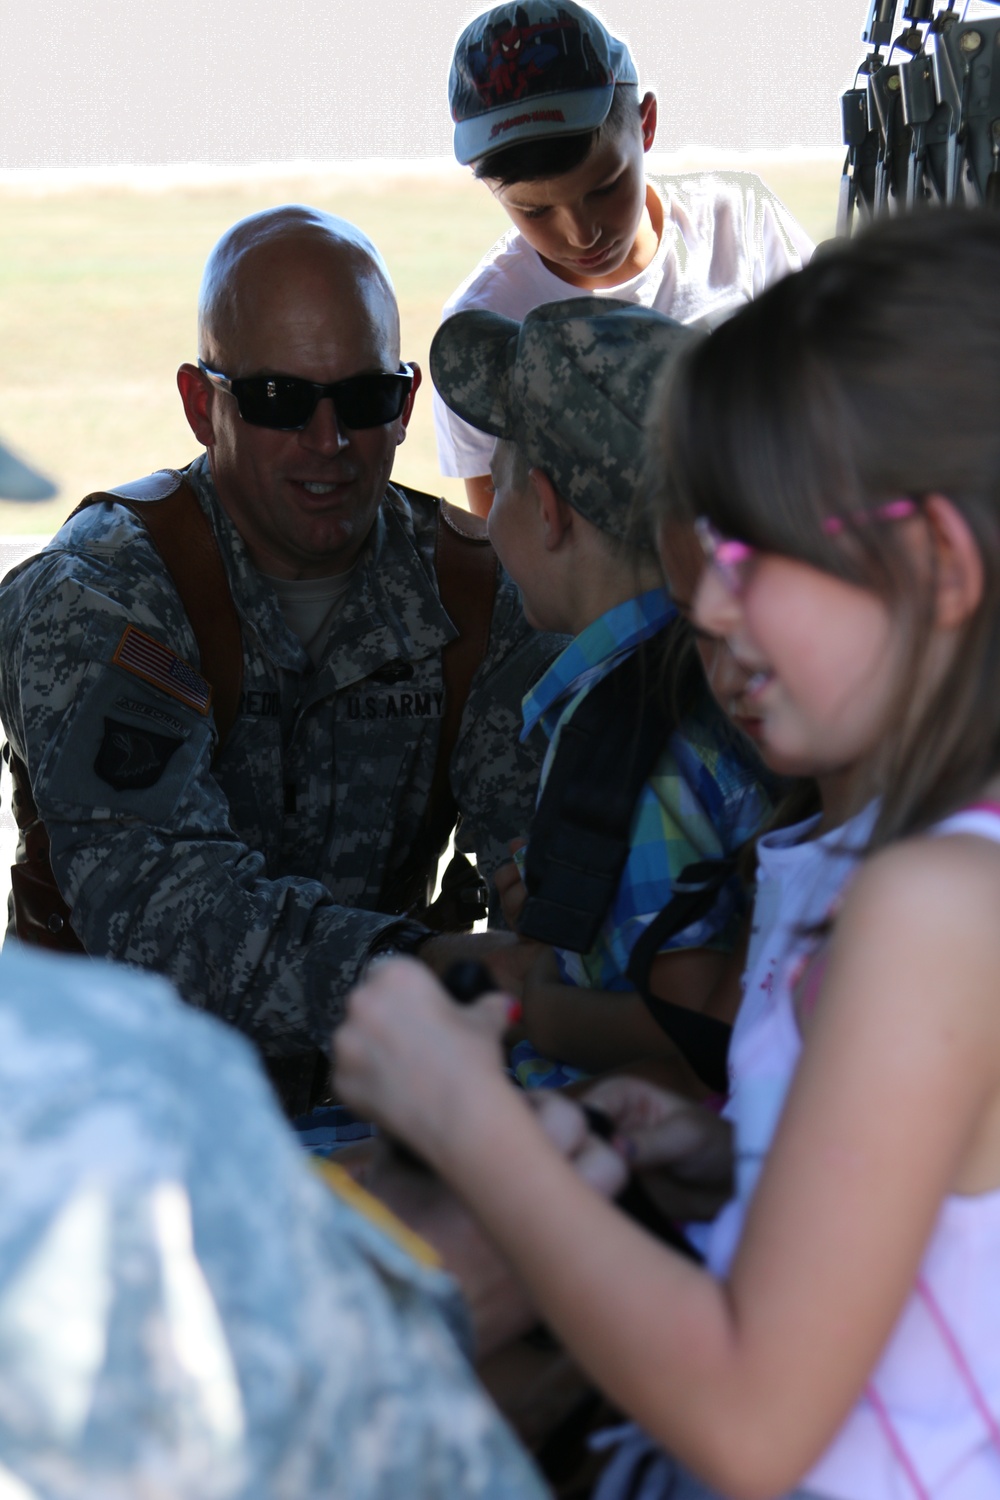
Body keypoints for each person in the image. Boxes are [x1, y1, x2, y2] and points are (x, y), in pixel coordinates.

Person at [334, 208, 1000, 1499]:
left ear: (933, 561)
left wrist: (478, 1129)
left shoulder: (932, 906)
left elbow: (754, 1423)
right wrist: (732, 1169)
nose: (709, 608)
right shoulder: (939, 866)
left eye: (754, 556)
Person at [0, 205, 559, 1112]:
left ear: (408, 404)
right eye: (277, 402)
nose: (328, 442)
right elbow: (164, 916)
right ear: (197, 404)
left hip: (372, 1121)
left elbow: (544, 864)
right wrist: (435, 970)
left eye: (366, 399)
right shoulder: (103, 597)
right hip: (105, 1130)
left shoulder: (476, 595)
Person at [431, 296, 776, 1090]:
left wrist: (536, 1006)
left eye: (505, 483)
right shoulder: (721, 673)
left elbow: (682, 1027)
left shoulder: (623, 734)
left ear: (546, 510)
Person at [435, 0, 813, 516]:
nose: (582, 233)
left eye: (606, 187)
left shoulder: (741, 224)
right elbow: (499, 534)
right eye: (535, 210)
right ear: (488, 187)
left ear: (647, 124)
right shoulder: (483, 325)